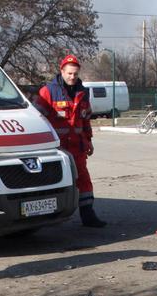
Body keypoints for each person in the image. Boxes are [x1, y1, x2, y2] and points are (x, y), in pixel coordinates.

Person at [35, 54, 105, 228]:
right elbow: (36, 118)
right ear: (62, 71)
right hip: (57, 148)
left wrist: (89, 141)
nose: (72, 77)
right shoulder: (48, 91)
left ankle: (88, 214)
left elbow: (86, 119)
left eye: (75, 73)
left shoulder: (83, 93)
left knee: (83, 180)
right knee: (52, 181)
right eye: (69, 73)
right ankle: (47, 217)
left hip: (78, 147)